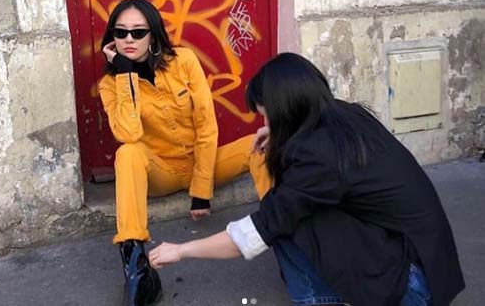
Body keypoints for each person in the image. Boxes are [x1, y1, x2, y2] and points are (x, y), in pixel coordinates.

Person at [148, 52, 465, 306]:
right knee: (291, 208)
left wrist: (181, 250)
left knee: (285, 218)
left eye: (267, 115)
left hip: (414, 288)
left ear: (286, 109)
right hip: (430, 265)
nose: (265, 122)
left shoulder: (318, 158)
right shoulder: (344, 116)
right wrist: (277, 133)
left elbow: (257, 231)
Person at [99, 0, 271, 306]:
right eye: (120, 32)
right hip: (161, 172)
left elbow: (206, 124)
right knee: (128, 152)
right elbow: (129, 134)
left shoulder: (184, 61)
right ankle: (137, 267)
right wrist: (125, 75)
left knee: (258, 147)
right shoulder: (110, 85)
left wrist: (201, 190)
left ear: (153, 34)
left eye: (138, 32)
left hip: (202, 163)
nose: (128, 39)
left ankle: (285, 231)